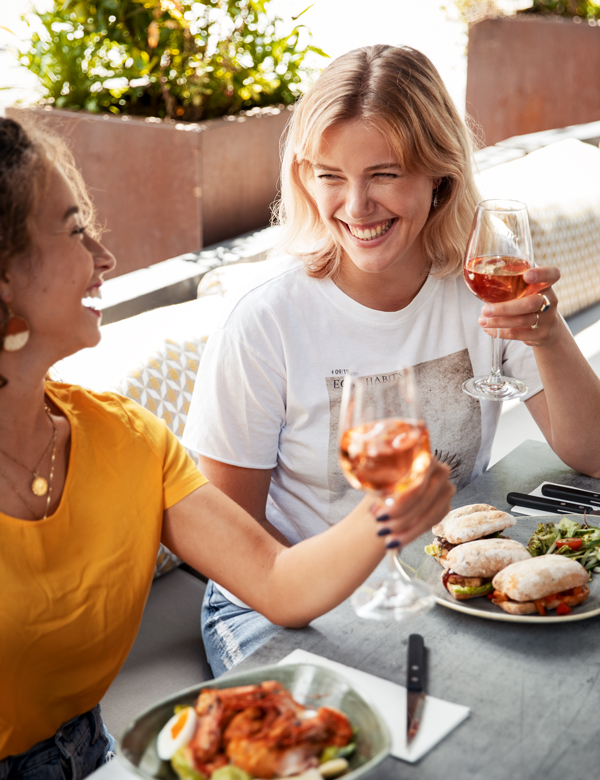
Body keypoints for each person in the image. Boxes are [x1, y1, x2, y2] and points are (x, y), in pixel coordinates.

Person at [0, 116, 452, 780]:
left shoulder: (127, 440)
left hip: (91, 759)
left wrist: (386, 514)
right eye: (73, 229)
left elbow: (277, 584)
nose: (105, 258)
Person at [182, 44, 600, 675]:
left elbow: (593, 453)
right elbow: (234, 548)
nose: (356, 207)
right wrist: (350, 601)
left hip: (427, 579)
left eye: (383, 174)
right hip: (279, 603)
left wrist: (547, 334)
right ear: (304, 179)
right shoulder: (266, 323)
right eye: (330, 176)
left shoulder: (479, 290)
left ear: (441, 176)